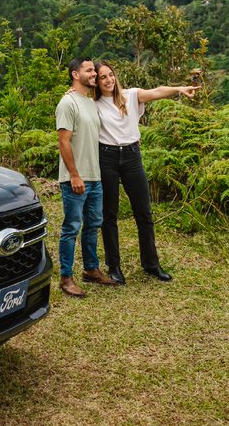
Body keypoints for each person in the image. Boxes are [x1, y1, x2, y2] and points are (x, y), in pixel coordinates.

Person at [93, 62, 197, 283]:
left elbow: (157, 91)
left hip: (132, 156)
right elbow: (75, 98)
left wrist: (179, 89)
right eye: (103, 77)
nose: (109, 80)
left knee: (144, 212)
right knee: (109, 214)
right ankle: (114, 267)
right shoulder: (93, 103)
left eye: (111, 75)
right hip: (107, 157)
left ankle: (151, 264)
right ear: (96, 81)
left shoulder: (130, 96)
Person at [56, 58, 118, 298]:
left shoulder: (91, 102)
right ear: (75, 74)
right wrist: (74, 175)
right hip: (76, 178)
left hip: (95, 177)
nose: (94, 74)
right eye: (89, 70)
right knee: (72, 227)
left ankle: (91, 270)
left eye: (95, 70)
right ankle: (66, 278)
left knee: (93, 225)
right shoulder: (67, 103)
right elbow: (63, 141)